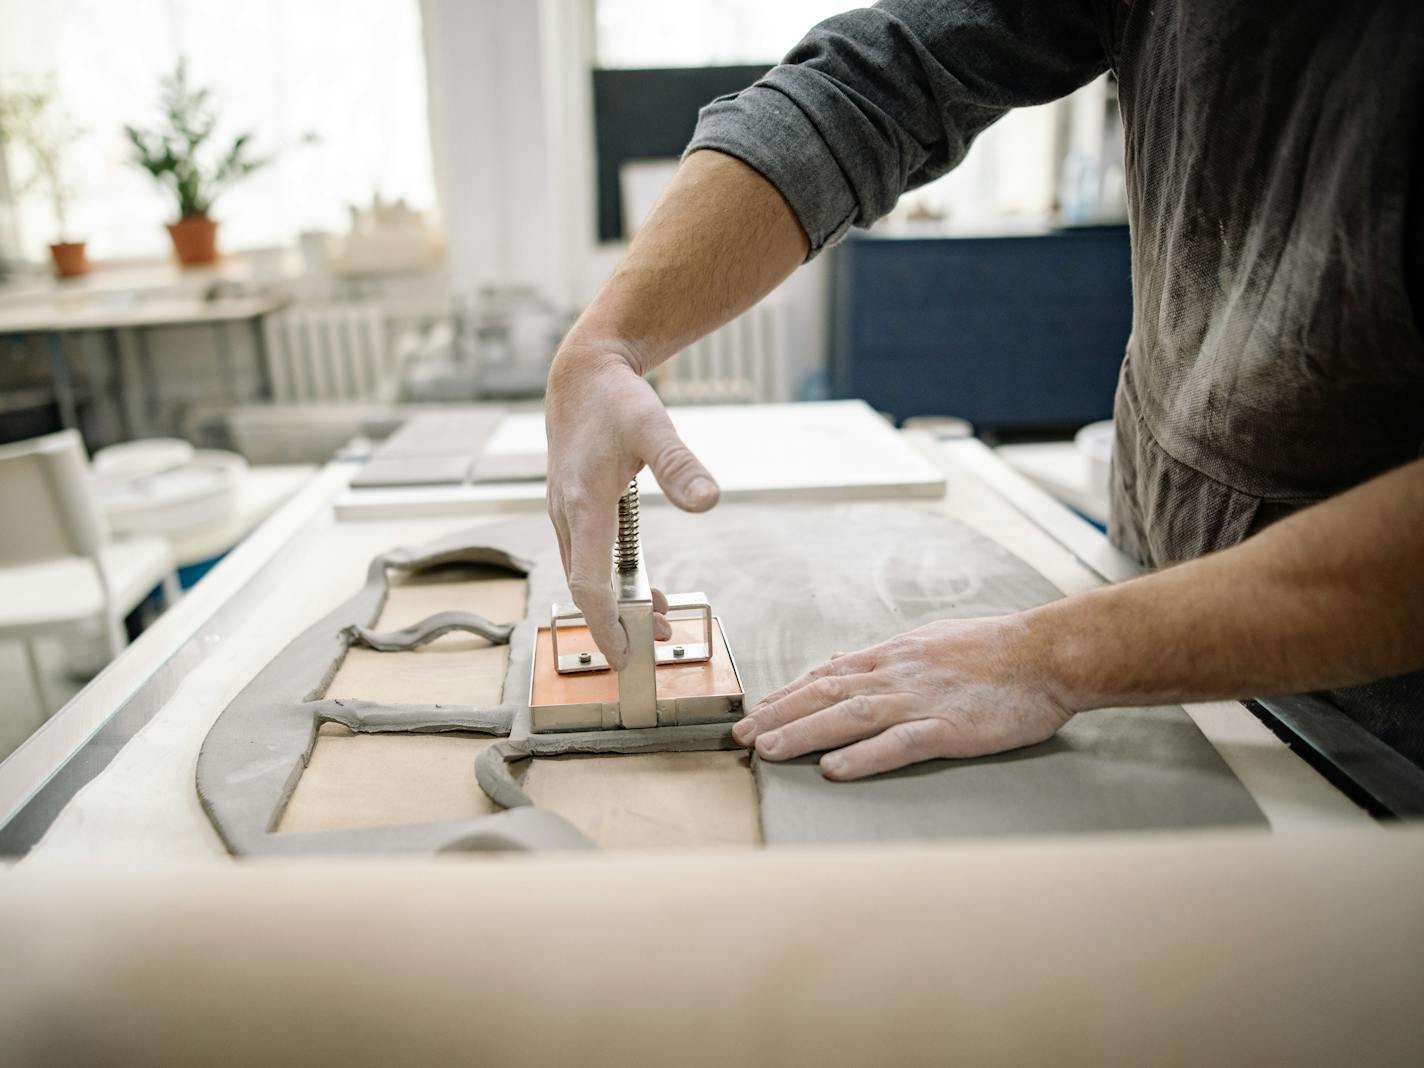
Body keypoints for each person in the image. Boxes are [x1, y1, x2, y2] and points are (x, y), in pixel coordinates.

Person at [544, 0, 1424, 779]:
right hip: (1148, 562)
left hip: (1383, 716)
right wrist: (610, 337)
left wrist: (1056, 654)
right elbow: (881, 76)